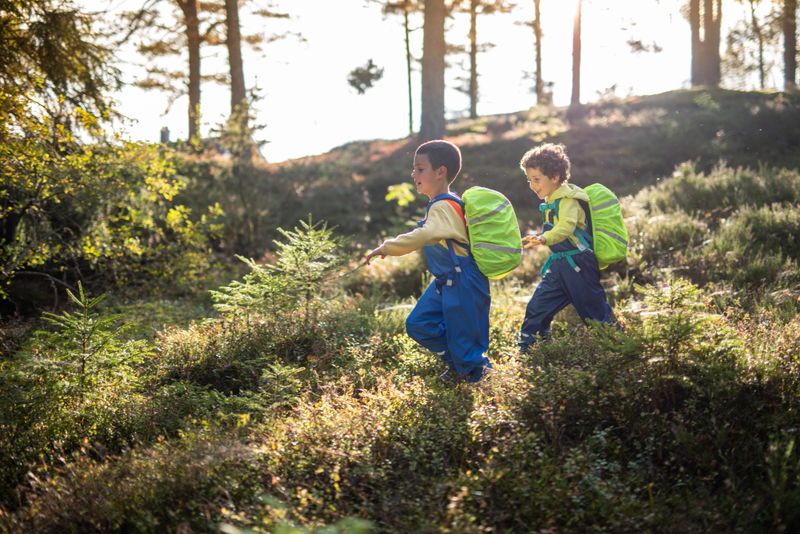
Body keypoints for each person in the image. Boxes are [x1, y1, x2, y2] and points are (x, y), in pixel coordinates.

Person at [366, 140, 492, 383]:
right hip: (446, 280)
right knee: (418, 323)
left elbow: (424, 235)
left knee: (465, 341)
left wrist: (387, 247)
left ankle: (479, 378)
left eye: (420, 168)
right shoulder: (439, 204)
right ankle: (459, 363)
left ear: (440, 171)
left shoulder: (444, 205)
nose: (414, 174)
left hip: (463, 279)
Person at [518, 143, 616, 353]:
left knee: (593, 311)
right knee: (538, 307)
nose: (532, 185)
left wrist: (543, 239)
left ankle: (617, 347)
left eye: (536, 179)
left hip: (579, 263)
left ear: (554, 177)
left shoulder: (568, 199)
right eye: (529, 180)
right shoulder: (551, 201)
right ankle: (531, 351)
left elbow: (565, 227)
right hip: (560, 264)